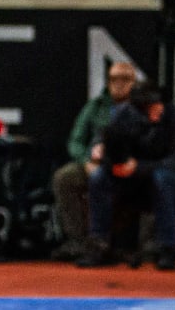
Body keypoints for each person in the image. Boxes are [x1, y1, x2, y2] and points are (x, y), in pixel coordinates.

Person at [79, 82, 175, 270]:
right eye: (151, 106)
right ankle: (98, 244)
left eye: (160, 104)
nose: (158, 108)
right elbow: (110, 147)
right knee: (99, 177)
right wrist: (114, 166)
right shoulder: (124, 115)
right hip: (134, 178)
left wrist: (138, 167)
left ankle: (167, 248)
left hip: (174, 178)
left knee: (161, 179)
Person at [53, 60, 137, 256]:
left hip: (127, 166)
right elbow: (75, 141)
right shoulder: (96, 106)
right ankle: (79, 241)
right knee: (64, 177)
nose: (119, 83)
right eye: (114, 79)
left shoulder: (141, 108)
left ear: (134, 82)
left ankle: (140, 245)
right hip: (95, 163)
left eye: (125, 79)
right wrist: (85, 161)